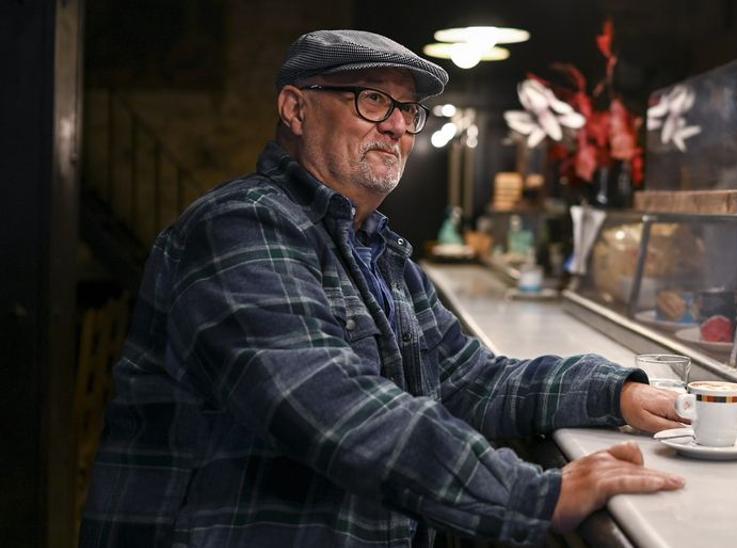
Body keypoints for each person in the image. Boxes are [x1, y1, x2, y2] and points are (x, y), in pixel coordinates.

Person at [80, 29, 686, 548]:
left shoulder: (378, 249)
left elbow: (468, 382)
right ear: (295, 109)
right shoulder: (239, 226)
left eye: (409, 110)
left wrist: (616, 392)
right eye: (372, 100)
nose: (398, 125)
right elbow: (325, 402)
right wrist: (531, 494)